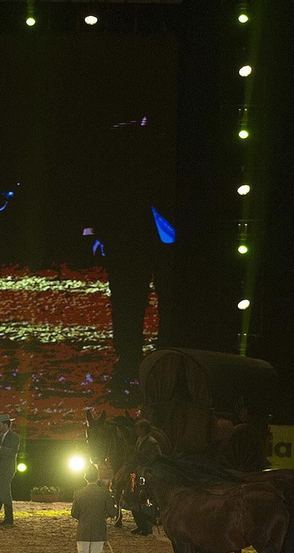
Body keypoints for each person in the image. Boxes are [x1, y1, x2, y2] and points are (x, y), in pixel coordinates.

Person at [84, 118, 176, 403]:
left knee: (146, 302)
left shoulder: (129, 151)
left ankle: (151, 361)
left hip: (146, 238)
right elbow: (105, 195)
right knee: (129, 303)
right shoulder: (124, 155)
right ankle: (133, 362)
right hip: (132, 239)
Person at [71, 466, 117, 553]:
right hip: (98, 530)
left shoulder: (78, 493)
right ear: (97, 477)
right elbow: (113, 512)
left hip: (83, 530)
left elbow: (74, 513)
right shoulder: (104, 493)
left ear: (85, 477)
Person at [130, 419, 163, 535]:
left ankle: (147, 527)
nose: (136, 431)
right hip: (139, 473)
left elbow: (156, 458)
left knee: (145, 502)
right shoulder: (140, 440)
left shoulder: (152, 442)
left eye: (138, 428)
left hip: (147, 474)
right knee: (136, 501)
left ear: (143, 429)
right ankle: (141, 525)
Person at [0, 413, 21, 526]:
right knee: (5, 493)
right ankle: (9, 519)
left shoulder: (14, 437)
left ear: (5, 424)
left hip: (8, 468)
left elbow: (12, 452)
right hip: (1, 469)